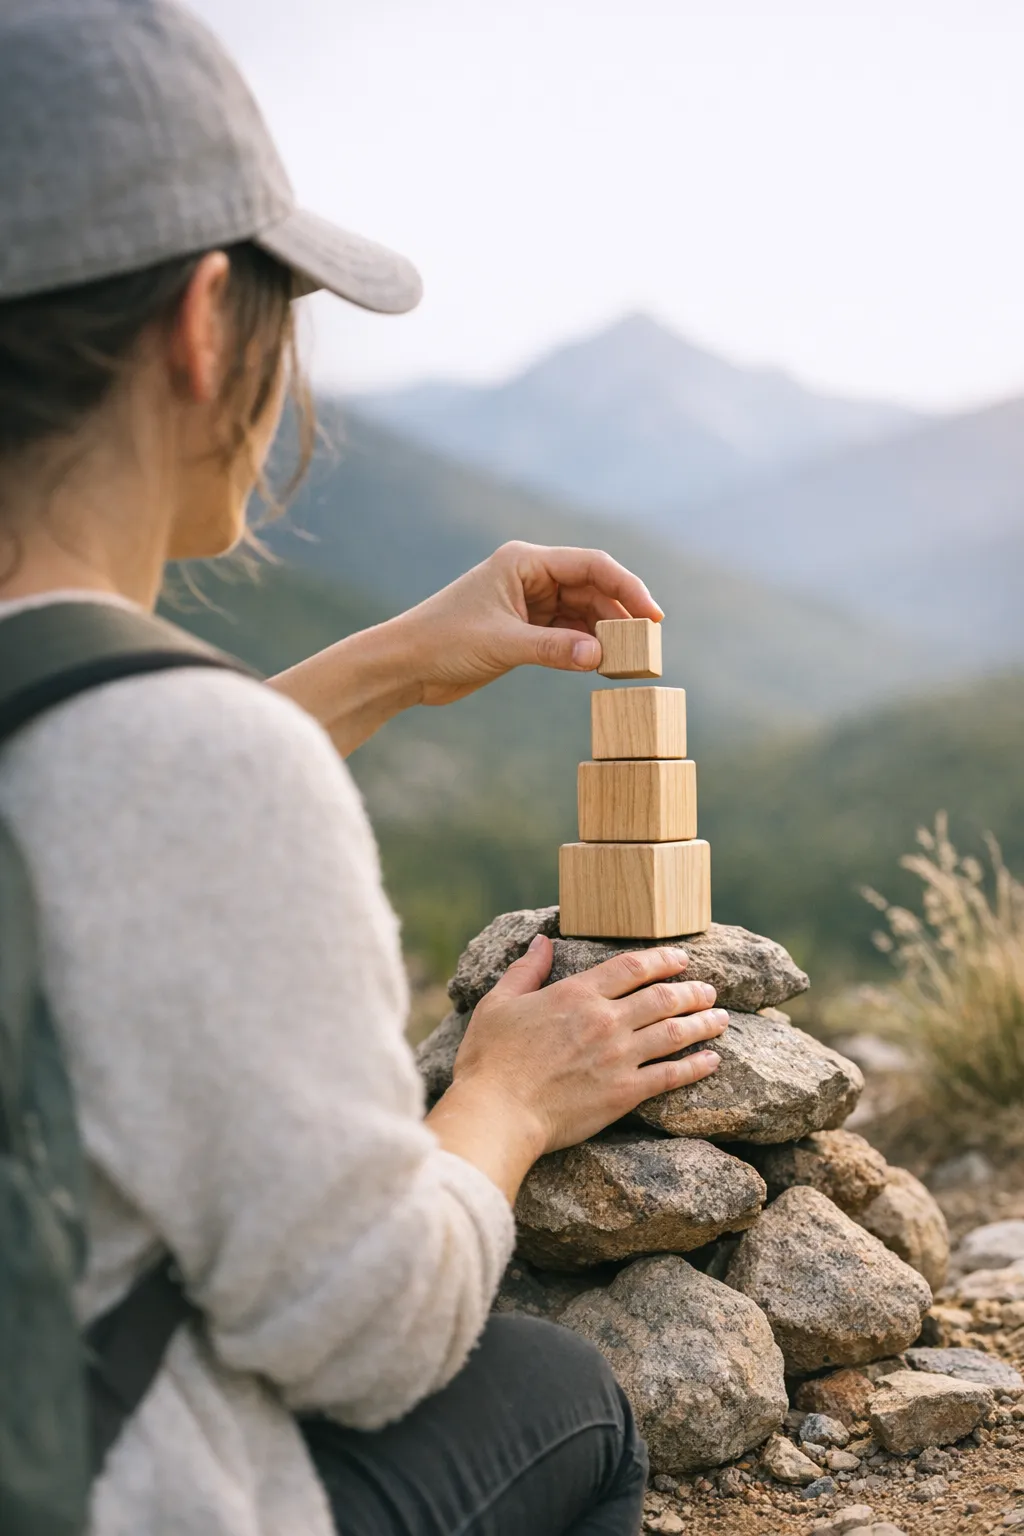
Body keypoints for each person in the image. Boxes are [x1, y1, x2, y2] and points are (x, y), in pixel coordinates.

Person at [0, 3, 728, 1533]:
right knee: (559, 1397)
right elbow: (368, 1338)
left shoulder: (155, 765)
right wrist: (505, 1105)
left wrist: (391, 662)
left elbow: (72, 800)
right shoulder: (203, 775)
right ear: (206, 322)